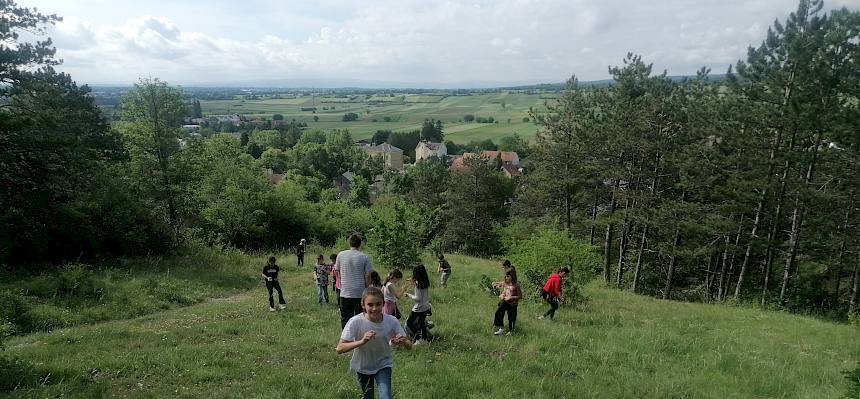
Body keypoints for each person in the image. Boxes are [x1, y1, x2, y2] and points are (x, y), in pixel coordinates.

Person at [336, 287, 412, 399]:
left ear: (383, 304)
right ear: (363, 305)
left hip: (383, 364)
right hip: (363, 367)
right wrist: (362, 341)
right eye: (370, 305)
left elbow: (409, 346)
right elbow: (339, 348)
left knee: (386, 396)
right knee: (368, 396)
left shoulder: (391, 321)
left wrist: (403, 341)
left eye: (378, 304)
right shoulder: (355, 321)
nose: (374, 308)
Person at [336, 233, 373, 329]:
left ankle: (346, 338)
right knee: (360, 316)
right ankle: (360, 336)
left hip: (345, 292)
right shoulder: (364, 257)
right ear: (360, 244)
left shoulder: (341, 255)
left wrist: (342, 283)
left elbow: (337, 272)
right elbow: (368, 275)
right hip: (360, 292)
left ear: (349, 243)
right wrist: (367, 288)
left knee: (345, 317)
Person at [405, 264, 432, 344]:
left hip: (419, 308)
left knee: (409, 322)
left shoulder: (418, 284)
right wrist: (412, 281)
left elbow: (418, 298)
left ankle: (419, 338)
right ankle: (424, 338)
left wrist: (408, 295)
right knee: (421, 322)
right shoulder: (425, 281)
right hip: (426, 306)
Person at [492, 269, 522, 335]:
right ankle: (501, 328)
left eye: (508, 276)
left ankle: (511, 331)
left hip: (513, 304)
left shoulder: (516, 285)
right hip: (505, 301)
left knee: (511, 318)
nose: (507, 277)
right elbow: (504, 292)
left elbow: (520, 296)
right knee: (498, 312)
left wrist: (511, 297)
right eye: (506, 276)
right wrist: (502, 295)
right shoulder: (506, 284)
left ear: (513, 276)